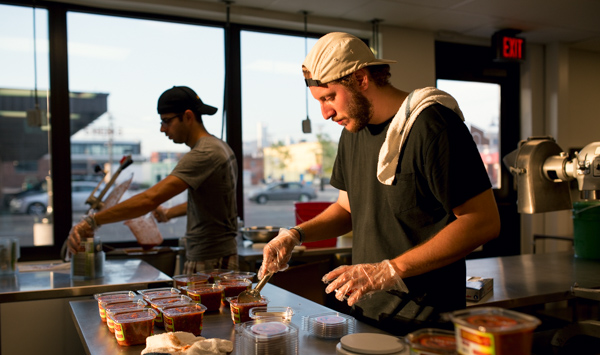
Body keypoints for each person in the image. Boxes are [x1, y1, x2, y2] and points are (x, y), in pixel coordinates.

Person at [258, 32, 501, 335]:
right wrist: (295, 235)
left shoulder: (432, 126)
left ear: (361, 79)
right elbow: (346, 209)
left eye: (329, 97)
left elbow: (483, 222)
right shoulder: (352, 133)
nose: (325, 113)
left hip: (427, 324)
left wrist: (391, 269)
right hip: (366, 315)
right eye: (320, 101)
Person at [67, 86, 239, 273]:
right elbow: (212, 203)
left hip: (211, 261)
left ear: (188, 116)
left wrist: (92, 221)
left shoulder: (205, 153)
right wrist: (169, 213)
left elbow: (150, 198)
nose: (162, 129)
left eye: (166, 121)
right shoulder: (220, 147)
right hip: (215, 256)